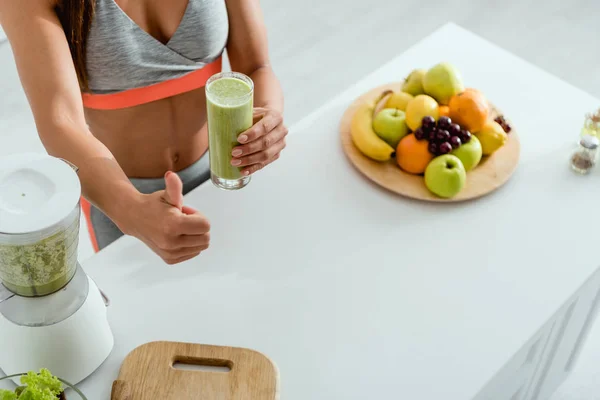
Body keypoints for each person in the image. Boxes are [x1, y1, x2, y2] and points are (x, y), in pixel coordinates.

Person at [0, 0, 287, 264]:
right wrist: (131, 211)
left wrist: (267, 121)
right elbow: (60, 122)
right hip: (123, 203)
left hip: (229, 173)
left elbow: (255, 66)